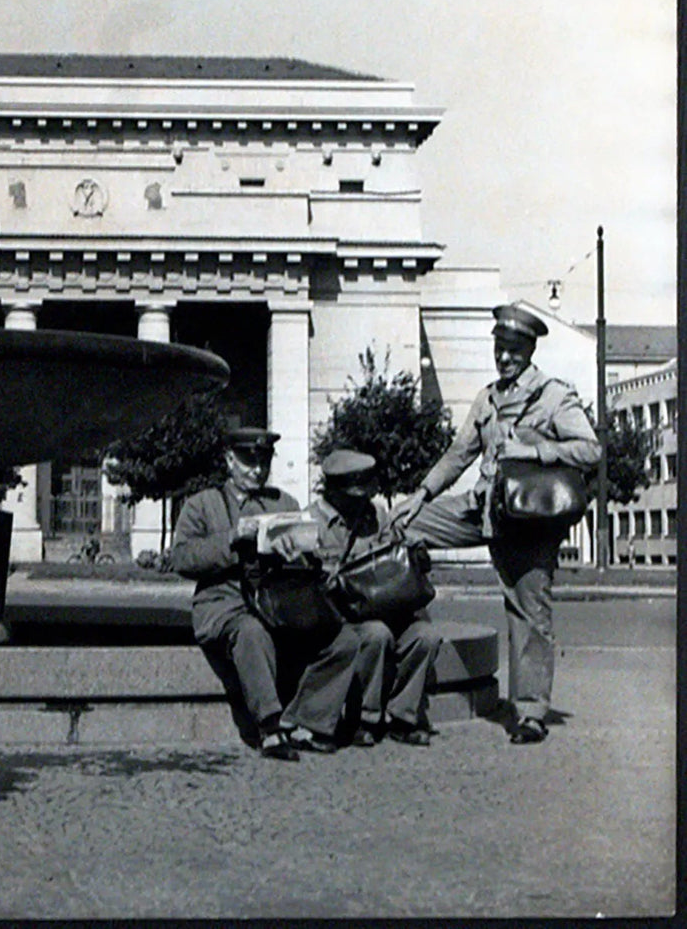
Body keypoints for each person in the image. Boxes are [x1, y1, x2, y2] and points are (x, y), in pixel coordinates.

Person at [390, 303, 602, 745]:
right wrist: (420, 495)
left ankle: (529, 714)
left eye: (512, 351)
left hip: (526, 521)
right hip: (481, 507)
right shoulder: (487, 397)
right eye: (499, 349)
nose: (504, 358)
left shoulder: (552, 395)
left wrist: (535, 451)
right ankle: (408, 644)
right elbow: (458, 453)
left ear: (529, 350)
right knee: (402, 527)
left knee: (529, 613)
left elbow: (589, 450)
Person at [170, 427, 364, 760]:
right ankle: (271, 728)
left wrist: (299, 553)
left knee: (344, 640)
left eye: (264, 461)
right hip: (224, 603)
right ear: (229, 460)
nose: (257, 469)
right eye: (248, 461)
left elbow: (310, 561)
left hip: (279, 602)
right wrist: (233, 538)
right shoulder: (201, 504)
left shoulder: (283, 502)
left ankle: (308, 721)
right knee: (250, 632)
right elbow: (183, 559)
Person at [310, 449, 442, 747]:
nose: (361, 503)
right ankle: (364, 719)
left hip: (386, 608)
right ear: (333, 491)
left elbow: (395, 557)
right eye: (352, 496)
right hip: (340, 618)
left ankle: (403, 717)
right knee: (376, 634)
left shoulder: (377, 515)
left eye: (364, 494)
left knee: (425, 635)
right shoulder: (312, 522)